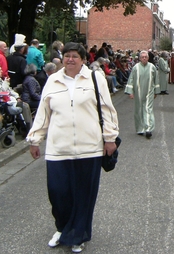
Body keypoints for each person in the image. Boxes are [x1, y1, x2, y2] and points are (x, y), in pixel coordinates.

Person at [27, 42, 119, 253]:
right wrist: (35, 139)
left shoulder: (95, 79)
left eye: (75, 56)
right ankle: (62, 228)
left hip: (89, 148)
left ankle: (77, 235)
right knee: (58, 193)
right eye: (67, 55)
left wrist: (110, 138)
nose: (70, 59)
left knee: (84, 195)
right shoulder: (52, 80)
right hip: (59, 148)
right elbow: (43, 113)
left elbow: (107, 110)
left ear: (83, 59)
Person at [0, 64, 32, 131]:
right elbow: (0, 92)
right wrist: (5, 83)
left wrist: (17, 97)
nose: (2, 71)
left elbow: (9, 90)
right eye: (0, 70)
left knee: (24, 105)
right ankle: (27, 128)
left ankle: (27, 126)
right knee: (24, 106)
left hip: (9, 99)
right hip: (2, 102)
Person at [125, 51, 159, 138]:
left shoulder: (152, 67)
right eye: (142, 57)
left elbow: (156, 80)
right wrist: (130, 92)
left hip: (149, 92)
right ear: (139, 58)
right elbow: (131, 79)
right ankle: (140, 129)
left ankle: (148, 129)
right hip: (138, 92)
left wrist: (156, 91)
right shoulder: (136, 68)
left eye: (146, 57)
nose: (144, 58)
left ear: (148, 58)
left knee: (148, 109)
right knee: (139, 110)